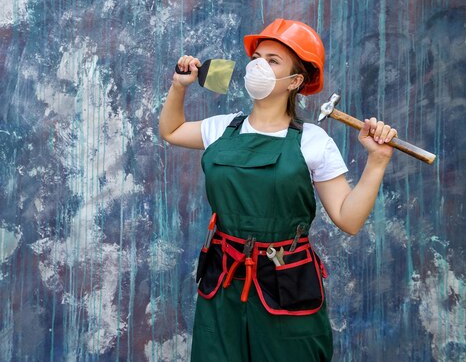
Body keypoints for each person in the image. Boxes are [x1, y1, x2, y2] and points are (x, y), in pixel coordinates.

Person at [159, 18, 398, 361]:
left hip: (287, 284)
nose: (258, 65)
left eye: (273, 60)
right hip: (222, 281)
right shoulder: (223, 127)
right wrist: (180, 86)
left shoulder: (314, 140)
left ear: (296, 81)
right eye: (257, 57)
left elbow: (348, 218)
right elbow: (172, 130)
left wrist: (376, 162)